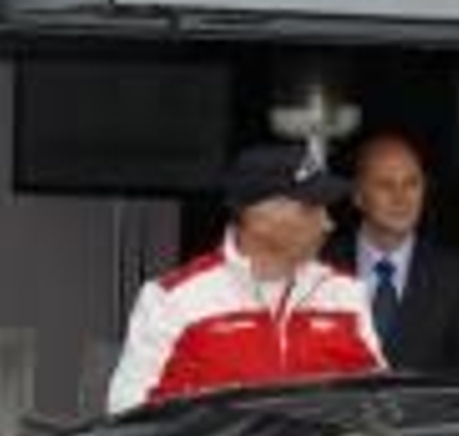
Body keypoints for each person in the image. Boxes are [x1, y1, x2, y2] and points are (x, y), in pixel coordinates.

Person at [107, 142, 382, 413]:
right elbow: (128, 418)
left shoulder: (346, 294)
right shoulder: (173, 299)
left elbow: (381, 405)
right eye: (310, 209)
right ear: (258, 217)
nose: (328, 223)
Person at [339, 131, 459, 371]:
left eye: (411, 184)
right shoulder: (316, 266)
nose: (401, 199)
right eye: (385, 185)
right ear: (358, 196)